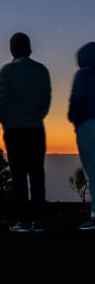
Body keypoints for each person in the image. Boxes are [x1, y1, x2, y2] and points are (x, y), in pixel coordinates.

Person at [0, 32, 51, 233]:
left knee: (18, 176)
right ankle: (39, 220)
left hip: (14, 130)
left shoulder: (6, 72)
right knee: (37, 174)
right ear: (29, 47)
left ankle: (23, 221)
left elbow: (1, 101)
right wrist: (36, 116)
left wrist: (7, 122)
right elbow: (46, 99)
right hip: (35, 128)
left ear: (12, 49)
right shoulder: (41, 70)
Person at [68, 42, 95, 230]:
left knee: (93, 171)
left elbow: (76, 100)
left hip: (87, 126)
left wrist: (74, 119)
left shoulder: (83, 75)